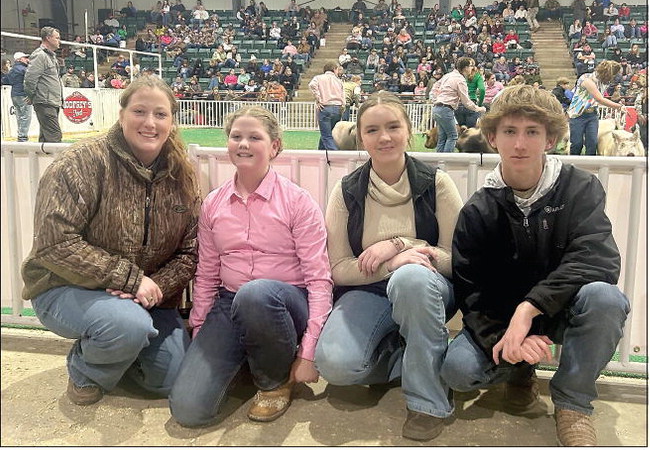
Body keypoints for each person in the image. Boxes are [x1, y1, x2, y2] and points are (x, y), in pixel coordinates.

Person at [442, 84, 629, 446]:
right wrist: (504, 337)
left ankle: (573, 405)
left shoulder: (580, 187)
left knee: (606, 299)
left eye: (532, 132)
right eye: (509, 132)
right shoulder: (478, 209)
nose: (520, 144)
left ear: (551, 139)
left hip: (561, 310)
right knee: (458, 371)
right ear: (493, 138)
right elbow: (473, 292)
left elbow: (598, 258)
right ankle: (519, 371)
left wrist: (530, 307)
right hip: (506, 320)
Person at [21, 75, 200, 406]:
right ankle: (87, 370)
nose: (150, 122)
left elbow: (189, 253)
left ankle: (121, 345)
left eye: (160, 114)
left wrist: (151, 286)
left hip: (148, 296)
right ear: (121, 115)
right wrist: (130, 280)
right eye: (140, 111)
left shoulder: (182, 175)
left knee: (172, 379)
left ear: (172, 122)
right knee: (125, 325)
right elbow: (54, 243)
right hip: (66, 287)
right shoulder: (81, 162)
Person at [169, 106, 332, 427]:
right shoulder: (213, 204)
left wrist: (309, 351)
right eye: (236, 136)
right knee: (188, 410)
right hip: (230, 302)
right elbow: (207, 274)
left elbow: (319, 279)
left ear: (274, 147)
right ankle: (255, 359)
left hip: (286, 302)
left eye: (254, 137)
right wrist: (201, 330)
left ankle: (275, 381)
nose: (243, 144)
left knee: (256, 294)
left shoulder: (298, 202)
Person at [315, 91, 464, 442]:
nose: (384, 137)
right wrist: (390, 262)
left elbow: (456, 259)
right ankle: (420, 357)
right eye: (372, 130)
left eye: (393, 126)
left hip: (425, 288)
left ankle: (427, 401)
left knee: (411, 277)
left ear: (408, 130)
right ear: (361, 137)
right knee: (335, 366)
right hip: (368, 288)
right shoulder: (347, 190)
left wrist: (401, 246)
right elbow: (338, 268)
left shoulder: (437, 183)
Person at [567, 60, 626, 155]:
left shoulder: (604, 82)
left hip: (592, 115)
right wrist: (619, 106)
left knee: (592, 143)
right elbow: (599, 99)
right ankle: (573, 164)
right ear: (607, 74)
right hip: (577, 115)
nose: (614, 78)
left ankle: (591, 167)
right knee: (577, 143)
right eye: (613, 75)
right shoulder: (586, 79)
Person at [429, 57, 487, 152]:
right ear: (465, 68)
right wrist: (479, 108)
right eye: (470, 66)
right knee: (453, 136)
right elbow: (466, 102)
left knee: (442, 137)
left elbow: (435, 87)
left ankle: (439, 162)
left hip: (437, 108)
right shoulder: (460, 80)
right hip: (446, 109)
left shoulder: (448, 75)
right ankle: (446, 162)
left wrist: (435, 100)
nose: (472, 68)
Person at [24, 26, 63, 143]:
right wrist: (31, 96)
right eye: (57, 38)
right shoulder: (40, 55)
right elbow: (30, 79)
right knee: (54, 137)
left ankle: (41, 161)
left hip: (50, 102)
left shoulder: (50, 56)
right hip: (45, 102)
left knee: (46, 137)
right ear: (48, 38)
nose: (59, 41)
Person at [308, 62, 345, 150]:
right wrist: (343, 105)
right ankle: (320, 152)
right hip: (337, 107)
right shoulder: (339, 81)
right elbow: (343, 94)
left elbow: (312, 85)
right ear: (334, 69)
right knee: (329, 133)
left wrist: (318, 98)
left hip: (325, 107)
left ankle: (335, 154)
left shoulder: (318, 78)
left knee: (326, 135)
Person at [1, 52, 32, 142]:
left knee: (19, 116)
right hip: (23, 95)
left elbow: (6, 80)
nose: (27, 59)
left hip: (14, 94)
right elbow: (30, 81)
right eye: (25, 58)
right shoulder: (24, 69)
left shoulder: (13, 69)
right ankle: (23, 136)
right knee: (26, 116)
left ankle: (21, 135)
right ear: (19, 59)